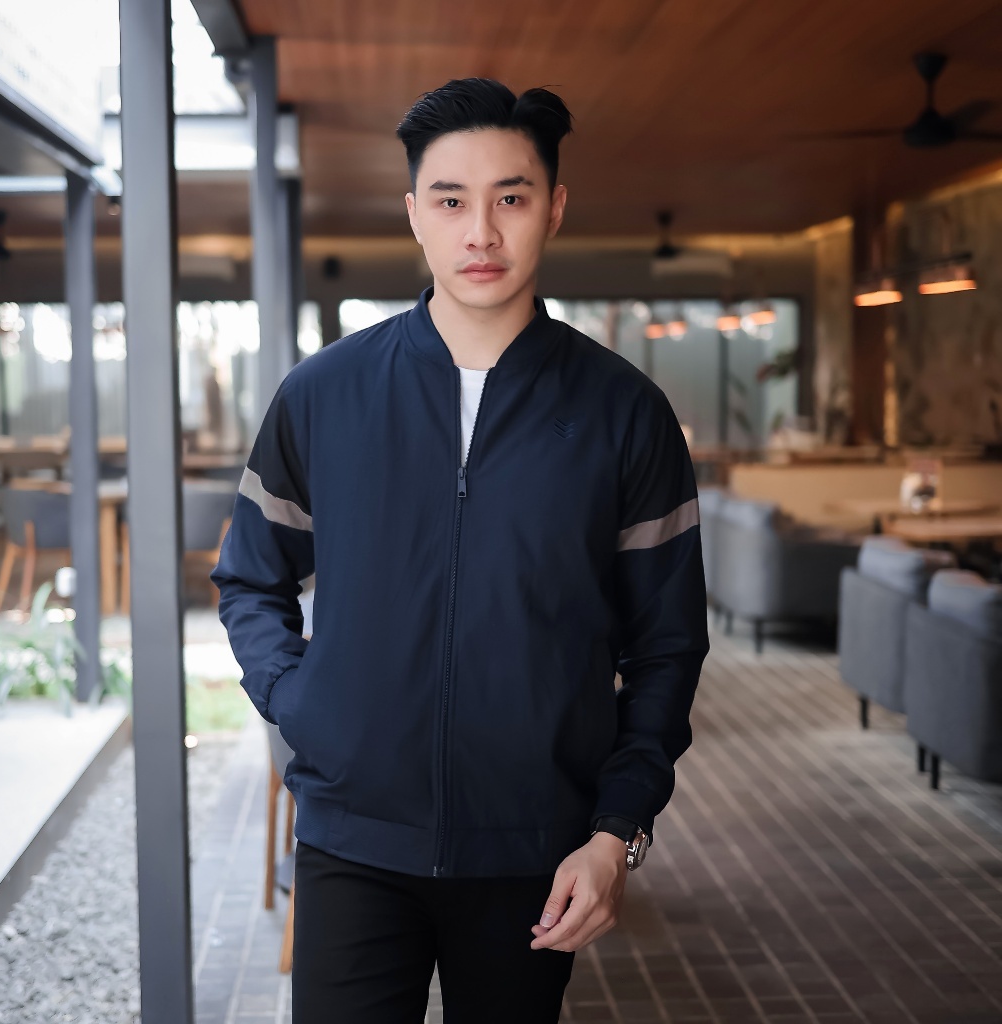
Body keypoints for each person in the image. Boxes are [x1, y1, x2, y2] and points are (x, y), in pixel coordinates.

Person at [211, 77, 710, 1024]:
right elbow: (249, 578)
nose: (481, 232)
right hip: (354, 842)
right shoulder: (323, 395)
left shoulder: (625, 414)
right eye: (450, 201)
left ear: (554, 207)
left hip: (535, 852)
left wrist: (617, 831)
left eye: (510, 197)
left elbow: (667, 646)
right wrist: (301, 701)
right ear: (414, 214)